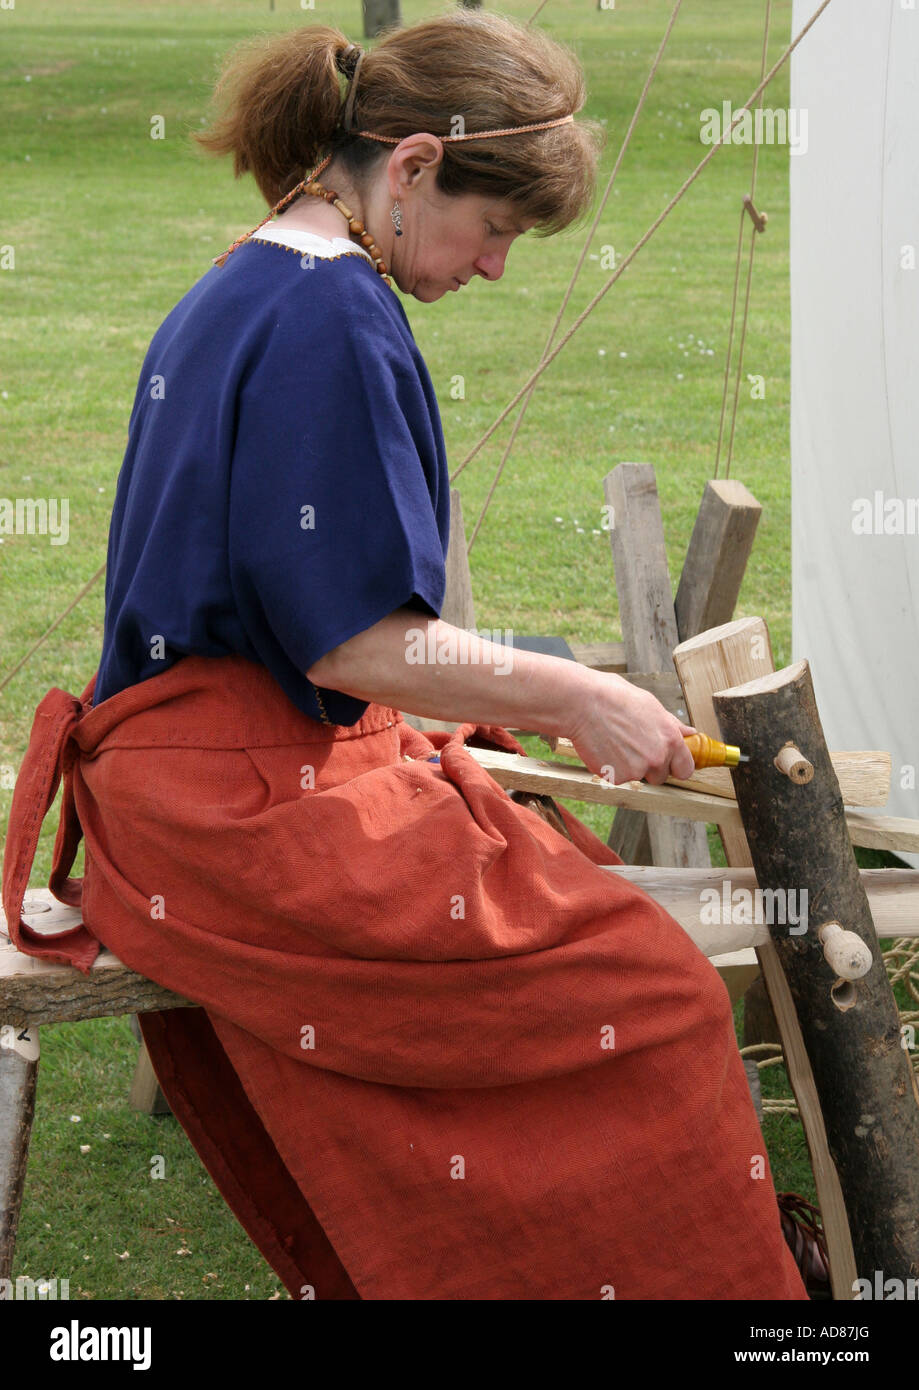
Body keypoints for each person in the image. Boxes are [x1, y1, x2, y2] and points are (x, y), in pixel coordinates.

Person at [2, 11, 808, 1300]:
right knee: (651, 992)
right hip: (237, 817)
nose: (493, 268)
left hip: (195, 793)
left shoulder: (252, 278)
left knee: (573, 887)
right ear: (416, 163)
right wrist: (574, 691)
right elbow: (353, 641)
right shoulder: (330, 319)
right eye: (494, 230)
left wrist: (500, 708)